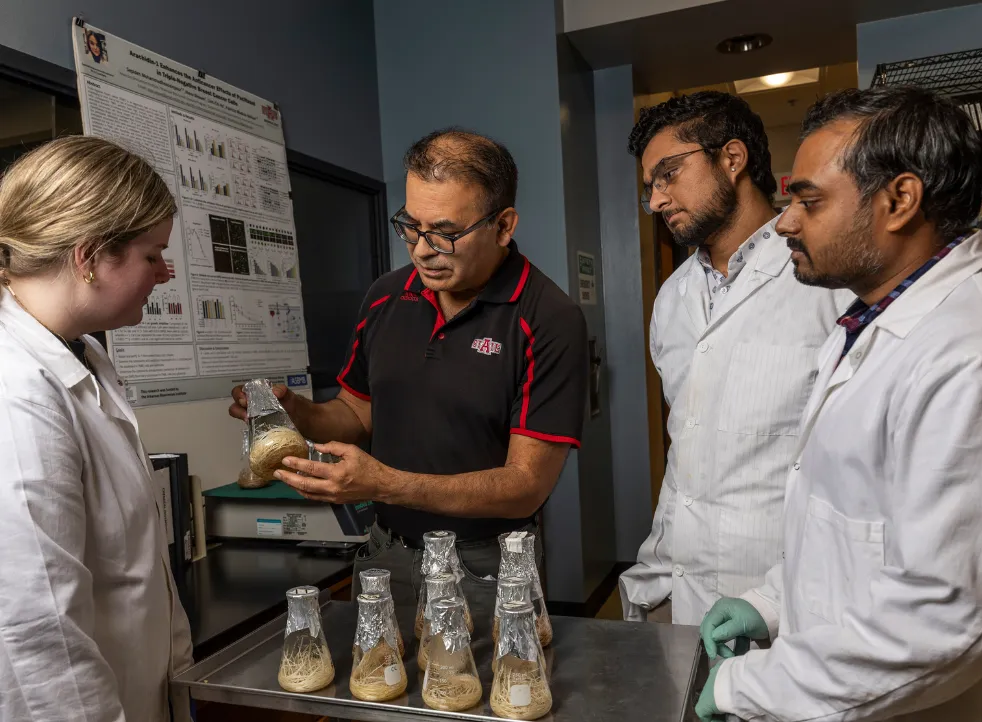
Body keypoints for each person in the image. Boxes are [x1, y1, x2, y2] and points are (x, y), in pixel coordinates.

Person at [696, 86, 982, 721]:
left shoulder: (971, 353)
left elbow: (946, 616)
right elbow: (852, 526)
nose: (783, 222)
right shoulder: (865, 325)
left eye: (808, 200)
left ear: (899, 200)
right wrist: (774, 602)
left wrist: (746, 688)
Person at [230, 129, 587, 615]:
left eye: (445, 232)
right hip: (386, 553)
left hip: (485, 564)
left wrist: (384, 483)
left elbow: (526, 486)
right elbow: (356, 413)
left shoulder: (548, 318)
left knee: (481, 690)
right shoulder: (385, 296)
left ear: (503, 226)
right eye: (410, 226)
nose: (421, 249)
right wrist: (296, 413)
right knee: (375, 685)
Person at [618, 91, 849, 626]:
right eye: (649, 186)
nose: (655, 200)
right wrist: (656, 584)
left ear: (732, 158)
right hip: (680, 594)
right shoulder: (671, 300)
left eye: (668, 174)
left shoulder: (827, 284)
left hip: (789, 599)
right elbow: (688, 455)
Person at [0, 136, 192, 720]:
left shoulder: (81, 357)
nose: (166, 272)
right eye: (152, 254)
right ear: (89, 257)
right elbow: (36, 630)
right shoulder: (17, 390)